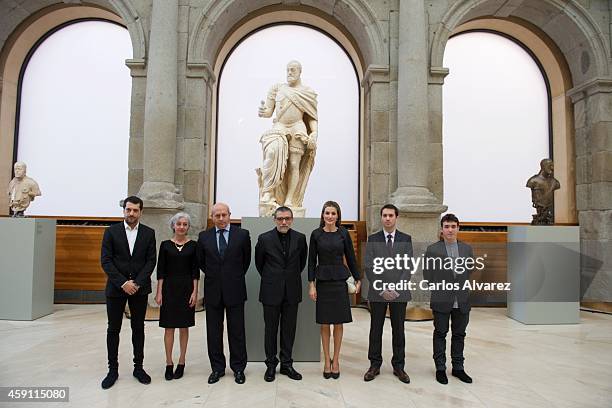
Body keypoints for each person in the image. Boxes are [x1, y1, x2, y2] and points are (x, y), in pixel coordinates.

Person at [100, 196, 156, 389]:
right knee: (113, 329)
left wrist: (137, 283)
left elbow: (151, 261)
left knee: (138, 328)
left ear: (141, 212)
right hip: (116, 288)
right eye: (128, 210)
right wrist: (123, 283)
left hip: (139, 290)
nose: (131, 213)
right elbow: (106, 261)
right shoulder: (111, 232)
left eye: (135, 210)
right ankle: (112, 370)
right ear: (124, 210)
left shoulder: (149, 233)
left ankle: (138, 367)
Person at [197, 202, 251, 384]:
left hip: (235, 290)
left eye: (224, 215)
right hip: (213, 292)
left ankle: (238, 368)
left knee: (237, 331)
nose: (221, 218)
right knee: (214, 332)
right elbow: (202, 263)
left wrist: (231, 277)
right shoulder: (203, 237)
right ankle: (217, 369)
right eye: (217, 215)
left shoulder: (242, 235)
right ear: (212, 217)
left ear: (229, 215)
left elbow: (245, 261)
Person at [308, 200, 361, 379]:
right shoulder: (315, 234)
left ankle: (336, 360)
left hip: (339, 281)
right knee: (324, 323)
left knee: (338, 323)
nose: (330, 216)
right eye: (327, 213)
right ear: (322, 215)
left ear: (338, 216)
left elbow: (351, 258)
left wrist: (358, 277)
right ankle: (326, 360)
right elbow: (311, 262)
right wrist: (311, 284)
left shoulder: (344, 233)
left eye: (333, 213)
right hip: (322, 281)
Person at [256, 60, 318, 213]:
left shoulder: (307, 92)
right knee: (272, 152)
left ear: (299, 72)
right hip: (280, 126)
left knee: (294, 164)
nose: (289, 73)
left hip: (297, 126)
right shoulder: (277, 88)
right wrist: (264, 112)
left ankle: (290, 199)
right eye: (288, 70)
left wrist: (314, 133)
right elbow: (269, 111)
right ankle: (269, 192)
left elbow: (311, 116)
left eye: (293, 70)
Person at [255, 206, 308, 382]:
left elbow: (301, 263)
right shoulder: (264, 239)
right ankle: (271, 365)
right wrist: (274, 278)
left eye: (287, 218)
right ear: (274, 220)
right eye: (280, 219)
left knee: (289, 329)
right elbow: (259, 264)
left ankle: (286, 364)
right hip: (270, 291)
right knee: (270, 330)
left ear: (292, 220)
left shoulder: (300, 238)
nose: (283, 222)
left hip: (292, 291)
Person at [363, 204, 413, 383]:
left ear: (396, 217)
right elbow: (369, 266)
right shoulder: (373, 239)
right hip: (378, 293)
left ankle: (399, 366)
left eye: (391, 215)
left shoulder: (406, 239)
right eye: (384, 215)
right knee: (375, 329)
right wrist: (382, 289)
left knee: (398, 329)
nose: (388, 218)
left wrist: (396, 289)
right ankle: (374, 364)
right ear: (381, 217)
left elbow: (407, 267)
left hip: (399, 293)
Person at [423, 213, 474, 385]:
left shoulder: (467, 249)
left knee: (459, 334)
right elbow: (427, 275)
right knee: (440, 333)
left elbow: (469, 271)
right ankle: (440, 368)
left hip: (462, 300)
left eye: (453, 226)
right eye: (447, 226)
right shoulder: (433, 250)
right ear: (442, 229)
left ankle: (458, 368)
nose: (450, 230)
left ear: (458, 228)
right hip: (441, 299)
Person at [155, 212, 199, 381]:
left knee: (184, 326)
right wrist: (159, 292)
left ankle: (181, 361)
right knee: (169, 327)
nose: (181, 227)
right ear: (173, 225)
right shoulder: (165, 245)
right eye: (178, 224)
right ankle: (168, 362)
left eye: (185, 224)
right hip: (169, 289)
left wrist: (195, 292)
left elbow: (195, 271)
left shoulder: (194, 246)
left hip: (187, 288)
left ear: (188, 227)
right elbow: (161, 271)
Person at [526, 158, 560, 225]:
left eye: (552, 166)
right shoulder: (533, 181)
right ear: (543, 166)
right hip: (539, 209)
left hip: (547, 212)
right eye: (550, 166)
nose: (552, 168)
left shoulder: (554, 182)